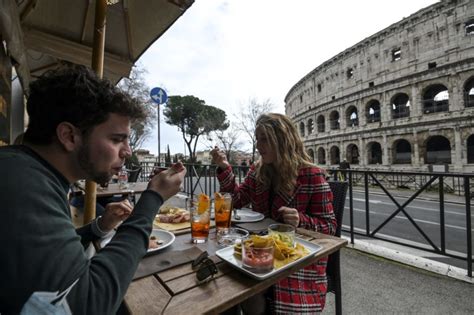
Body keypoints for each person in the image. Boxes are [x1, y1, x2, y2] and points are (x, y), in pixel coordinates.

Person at [0, 66, 186, 314]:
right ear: (69, 136)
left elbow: (51, 256)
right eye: (117, 139)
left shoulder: (30, 172)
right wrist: (152, 199)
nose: (128, 151)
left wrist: (99, 227)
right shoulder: (21, 183)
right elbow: (89, 304)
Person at [211, 113, 336, 314]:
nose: (259, 145)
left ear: (283, 139)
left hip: (295, 259)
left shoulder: (311, 175)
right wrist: (224, 168)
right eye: (257, 139)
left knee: (244, 290)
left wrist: (300, 220)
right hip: (257, 251)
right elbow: (236, 200)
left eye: (265, 139)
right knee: (221, 281)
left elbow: (329, 227)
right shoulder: (257, 171)